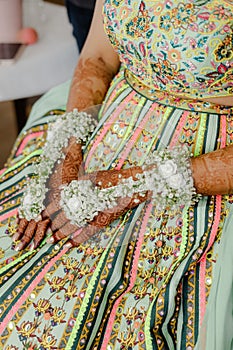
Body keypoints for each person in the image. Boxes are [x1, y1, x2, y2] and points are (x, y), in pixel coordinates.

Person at [0, 0, 233, 349]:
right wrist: (66, 154)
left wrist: (138, 183)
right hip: (105, 126)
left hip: (200, 165)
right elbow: (98, 58)